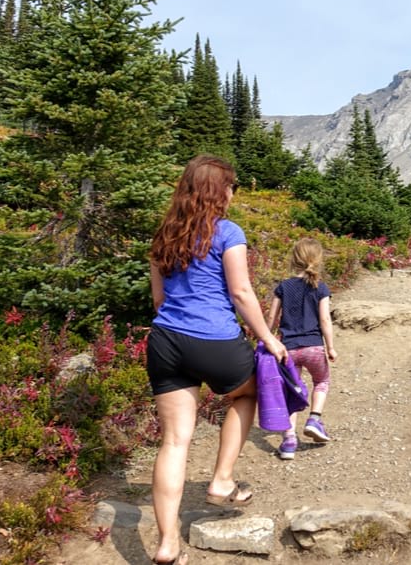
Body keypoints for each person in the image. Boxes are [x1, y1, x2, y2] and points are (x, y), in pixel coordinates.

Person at [145, 155, 286, 565]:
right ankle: (222, 481)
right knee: (246, 395)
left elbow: (158, 300)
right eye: (231, 185)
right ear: (217, 190)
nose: (232, 193)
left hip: (166, 341)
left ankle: (168, 544)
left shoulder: (163, 236)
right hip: (215, 340)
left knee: (174, 441)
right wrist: (268, 340)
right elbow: (241, 293)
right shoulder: (227, 232)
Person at [265, 237, 338, 459]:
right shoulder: (320, 287)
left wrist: (266, 338)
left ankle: (288, 442)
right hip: (314, 346)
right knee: (322, 381)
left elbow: (271, 316)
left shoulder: (283, 287)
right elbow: (325, 319)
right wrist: (331, 347)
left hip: (288, 349)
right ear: (318, 260)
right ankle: (315, 418)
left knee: (292, 391)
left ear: (294, 259)